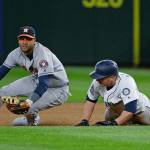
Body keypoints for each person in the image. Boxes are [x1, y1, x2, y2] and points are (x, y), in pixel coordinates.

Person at [0, 26, 70, 126]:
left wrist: (29, 101)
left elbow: (43, 84)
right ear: (18, 40)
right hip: (36, 80)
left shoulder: (42, 54)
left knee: (29, 108)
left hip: (58, 89)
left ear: (34, 40)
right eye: (22, 38)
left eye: (28, 39)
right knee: (2, 92)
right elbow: (2, 72)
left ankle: (32, 120)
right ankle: (30, 114)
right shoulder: (15, 54)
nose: (24, 42)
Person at [77, 59, 150, 126]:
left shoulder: (126, 81)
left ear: (112, 77)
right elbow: (90, 101)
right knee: (108, 118)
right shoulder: (97, 81)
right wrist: (85, 120)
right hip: (116, 112)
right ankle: (126, 122)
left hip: (141, 111)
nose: (98, 80)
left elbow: (131, 109)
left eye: (101, 78)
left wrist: (114, 123)